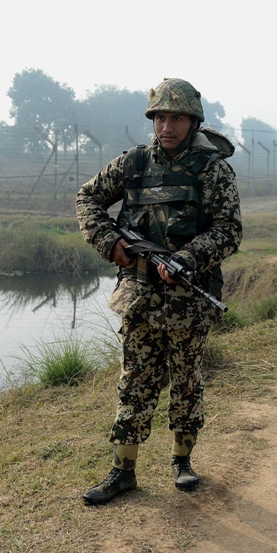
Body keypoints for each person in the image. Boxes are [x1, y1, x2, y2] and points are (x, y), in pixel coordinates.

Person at [76, 78, 243, 506]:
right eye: (160, 118)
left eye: (177, 118)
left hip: (188, 297)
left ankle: (182, 462)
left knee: (186, 380)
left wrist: (188, 258)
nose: (167, 126)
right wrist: (109, 242)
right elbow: (88, 198)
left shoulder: (212, 169)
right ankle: (122, 471)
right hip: (139, 296)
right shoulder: (132, 165)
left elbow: (229, 231)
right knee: (134, 380)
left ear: (193, 121)